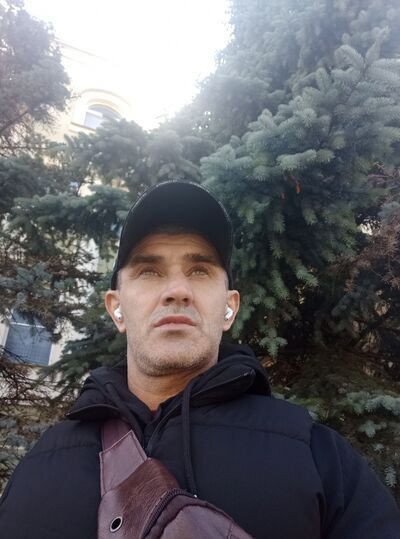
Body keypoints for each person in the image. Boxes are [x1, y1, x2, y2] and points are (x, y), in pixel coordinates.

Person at [0, 180, 399, 538]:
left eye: (200, 270)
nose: (177, 290)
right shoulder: (40, 467)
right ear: (116, 308)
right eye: (149, 271)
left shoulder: (316, 456)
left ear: (229, 308)